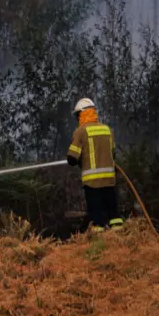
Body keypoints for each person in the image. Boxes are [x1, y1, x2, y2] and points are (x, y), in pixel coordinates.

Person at [66, 98, 123, 230]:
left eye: (77, 115)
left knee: (97, 217)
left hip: (92, 183)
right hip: (109, 180)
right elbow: (113, 153)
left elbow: (72, 158)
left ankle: (99, 244)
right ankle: (121, 239)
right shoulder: (107, 129)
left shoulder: (80, 131)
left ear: (82, 114)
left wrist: (77, 159)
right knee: (113, 213)